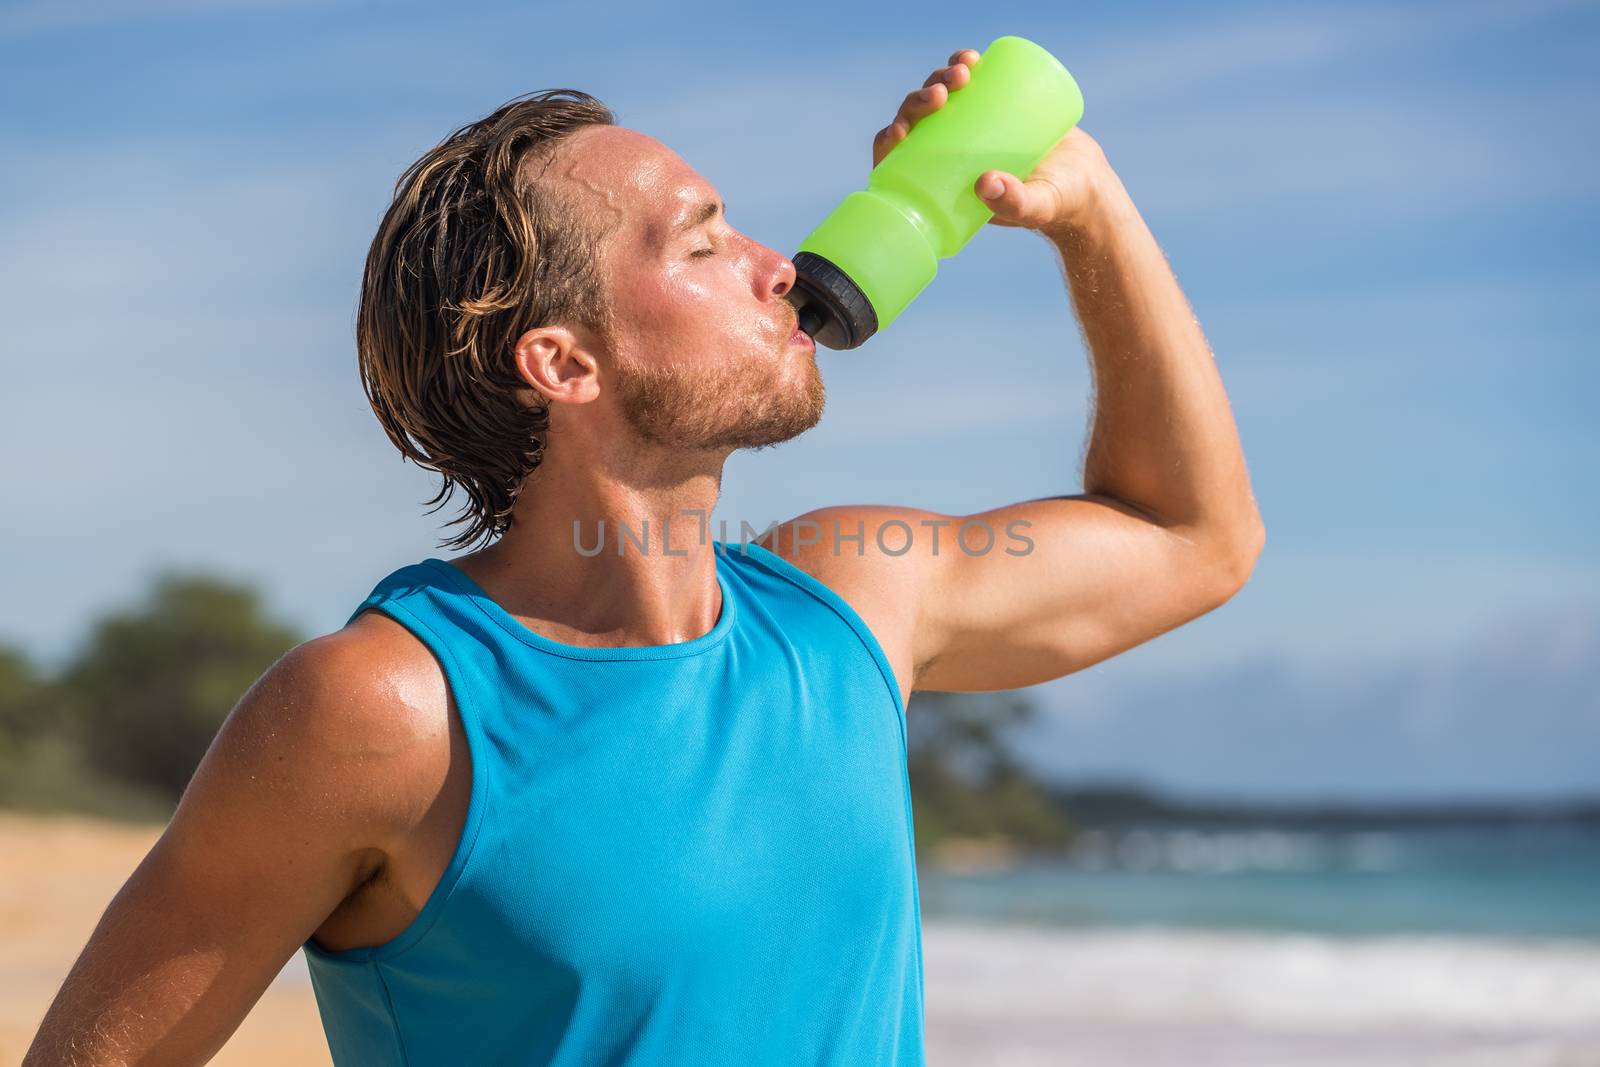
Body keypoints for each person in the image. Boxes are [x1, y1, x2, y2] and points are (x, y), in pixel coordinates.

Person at [24, 46, 1263, 1067]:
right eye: (704, 244)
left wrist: (1089, 216)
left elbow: (1192, 537)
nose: (780, 269)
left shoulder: (853, 599)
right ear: (565, 361)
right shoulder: (386, 711)